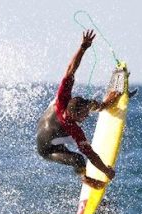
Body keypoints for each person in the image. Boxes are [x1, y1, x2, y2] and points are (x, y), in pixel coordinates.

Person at [36, 30, 120, 189]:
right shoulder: (73, 129)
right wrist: (106, 171)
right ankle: (86, 179)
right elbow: (91, 155)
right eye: (84, 115)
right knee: (78, 160)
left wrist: (83, 47)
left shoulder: (64, 97)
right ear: (75, 117)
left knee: (86, 102)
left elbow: (71, 68)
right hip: (47, 147)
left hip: (50, 124)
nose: (87, 116)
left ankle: (105, 104)